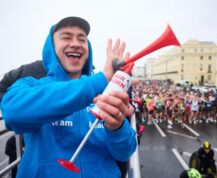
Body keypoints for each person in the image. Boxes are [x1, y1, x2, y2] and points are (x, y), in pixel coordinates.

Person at [1, 16, 137, 178]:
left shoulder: (107, 92)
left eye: (82, 39)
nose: (75, 43)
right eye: (66, 37)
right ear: (52, 47)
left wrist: (117, 128)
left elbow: (124, 152)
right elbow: (12, 114)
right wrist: (98, 82)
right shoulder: (31, 85)